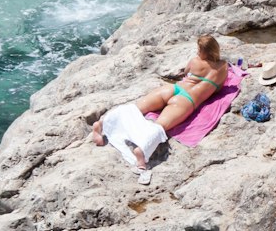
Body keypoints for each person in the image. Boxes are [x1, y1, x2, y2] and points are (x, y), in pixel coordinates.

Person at [91, 35, 229, 170]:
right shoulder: (223, 66)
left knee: (135, 108)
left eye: (199, 49)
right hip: (187, 100)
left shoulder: (194, 61)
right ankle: (141, 151)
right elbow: (219, 89)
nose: (197, 52)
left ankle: (102, 124)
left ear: (205, 51)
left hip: (173, 89)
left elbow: (185, 73)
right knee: (159, 126)